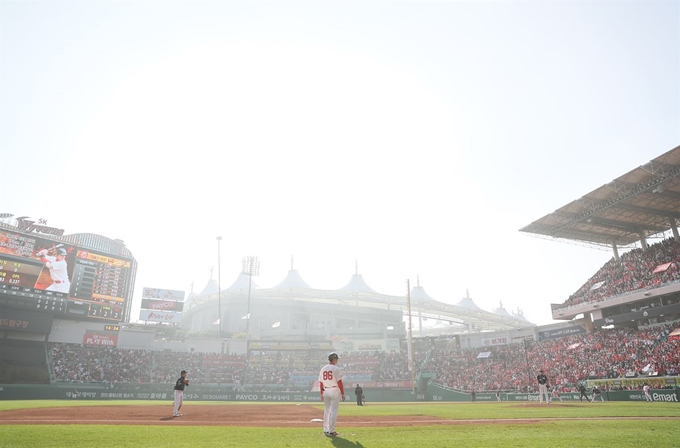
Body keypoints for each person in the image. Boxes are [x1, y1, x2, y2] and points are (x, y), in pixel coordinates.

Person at [319, 352, 345, 437]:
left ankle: (326, 429)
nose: (337, 360)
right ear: (334, 359)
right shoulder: (336, 369)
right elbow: (339, 382)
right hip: (334, 389)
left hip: (326, 389)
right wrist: (342, 393)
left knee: (327, 411)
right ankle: (331, 430)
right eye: (337, 359)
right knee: (333, 410)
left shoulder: (323, 369)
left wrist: (321, 393)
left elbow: (321, 382)